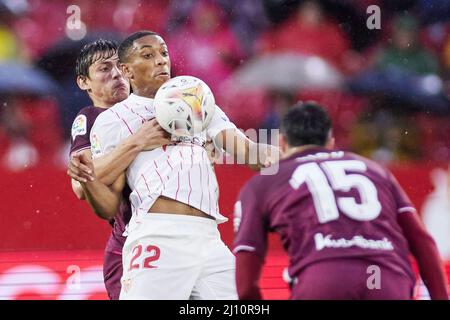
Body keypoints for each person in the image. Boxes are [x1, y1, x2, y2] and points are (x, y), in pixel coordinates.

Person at [72, 30, 279, 300]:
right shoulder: (113, 119)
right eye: (148, 55)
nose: (160, 61)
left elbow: (248, 151)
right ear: (126, 70)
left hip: (209, 238)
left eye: (163, 54)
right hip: (158, 235)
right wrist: (136, 143)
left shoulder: (197, 100)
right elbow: (107, 204)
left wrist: (283, 155)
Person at [233, 102, 449, 300]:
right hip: (386, 277)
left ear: (282, 141)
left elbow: (247, 260)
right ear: (331, 142)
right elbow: (422, 242)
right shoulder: (374, 170)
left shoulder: (264, 182)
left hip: (324, 278)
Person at [67, 39, 170, 299]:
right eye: (103, 68)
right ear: (83, 82)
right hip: (131, 246)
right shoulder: (89, 118)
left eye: (119, 66)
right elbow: (80, 185)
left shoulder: (156, 107)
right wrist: (136, 143)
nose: (116, 74)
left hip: (176, 236)